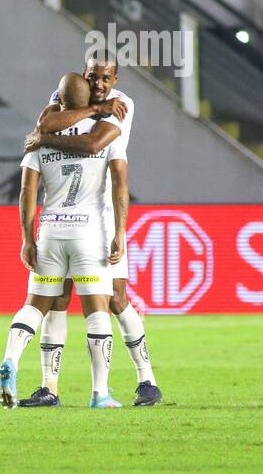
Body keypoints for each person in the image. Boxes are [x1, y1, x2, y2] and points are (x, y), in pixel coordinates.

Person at [20, 53, 161, 407]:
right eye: (93, 77)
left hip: (102, 216)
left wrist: (46, 140)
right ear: (85, 74)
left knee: (116, 299)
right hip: (64, 217)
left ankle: (147, 380)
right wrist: (93, 111)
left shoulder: (124, 105)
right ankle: (48, 388)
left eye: (106, 79)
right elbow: (43, 123)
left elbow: (94, 144)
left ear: (116, 81)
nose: (99, 85)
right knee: (58, 298)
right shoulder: (66, 96)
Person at [0, 72, 129, 409]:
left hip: (51, 233)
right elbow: (117, 183)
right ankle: (100, 393)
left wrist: (27, 238)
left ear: (59, 98)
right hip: (88, 235)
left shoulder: (40, 136)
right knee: (96, 310)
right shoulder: (105, 128)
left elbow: (27, 191)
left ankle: (11, 360)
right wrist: (119, 232)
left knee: (36, 306)